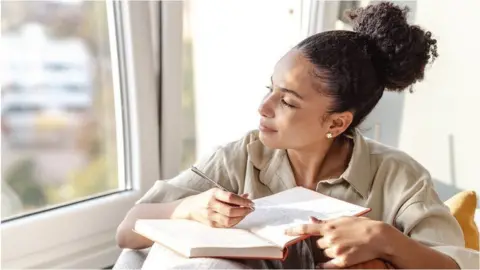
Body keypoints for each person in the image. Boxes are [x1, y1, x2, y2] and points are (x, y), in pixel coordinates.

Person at [116, 2, 478, 269]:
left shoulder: (400, 177)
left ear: (335, 124)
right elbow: (128, 231)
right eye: (270, 89)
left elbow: (456, 263)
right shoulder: (239, 157)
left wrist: (384, 240)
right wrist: (188, 208)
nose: (264, 107)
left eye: (287, 101)